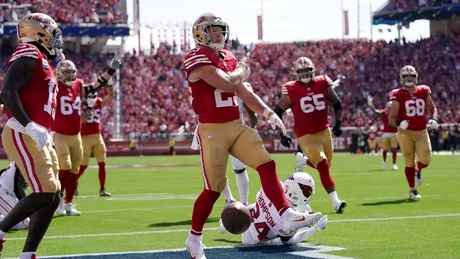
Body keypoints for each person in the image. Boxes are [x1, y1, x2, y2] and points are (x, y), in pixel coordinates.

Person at [183, 13, 320, 259]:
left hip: (236, 125)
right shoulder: (196, 57)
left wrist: (268, 113)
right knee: (213, 189)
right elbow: (227, 83)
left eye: (220, 30)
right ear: (200, 33)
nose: (219, 35)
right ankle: (194, 239)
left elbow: (243, 92)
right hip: (212, 130)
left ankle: (285, 213)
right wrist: (243, 70)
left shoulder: (228, 57)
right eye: (213, 30)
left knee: (266, 163)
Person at [0, 13, 64, 258]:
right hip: (23, 130)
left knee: (53, 195)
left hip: (38, 133)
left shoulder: (42, 60)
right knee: (46, 190)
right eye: (53, 33)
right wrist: (29, 124)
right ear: (40, 32)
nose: (56, 39)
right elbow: (8, 90)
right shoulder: (29, 53)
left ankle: (28, 254)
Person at [275, 57, 346, 213]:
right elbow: (278, 111)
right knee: (323, 165)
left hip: (324, 131)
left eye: (307, 70)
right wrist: (282, 133)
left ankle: (303, 160)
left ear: (313, 70)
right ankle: (335, 201)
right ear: (296, 73)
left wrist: (338, 123)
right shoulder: (291, 89)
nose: (305, 74)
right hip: (306, 135)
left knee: (326, 166)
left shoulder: (322, 83)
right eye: (301, 71)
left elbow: (337, 103)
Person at [52, 56, 121, 216]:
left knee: (75, 169)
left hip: (76, 135)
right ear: (59, 74)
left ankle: (68, 203)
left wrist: (111, 70)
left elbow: (95, 86)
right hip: (60, 134)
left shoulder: (78, 85)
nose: (70, 76)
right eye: (66, 72)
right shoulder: (54, 86)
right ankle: (58, 201)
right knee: (66, 166)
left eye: (71, 72)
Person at [219, 172, 327, 245]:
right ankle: (224, 225)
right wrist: (314, 229)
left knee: (251, 210)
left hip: (247, 217)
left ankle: (223, 225)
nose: (307, 195)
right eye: (306, 192)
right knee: (297, 229)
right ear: (297, 192)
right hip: (255, 242)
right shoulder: (286, 217)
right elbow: (290, 242)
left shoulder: (274, 187)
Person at [388, 65, 438, 200]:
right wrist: (399, 123)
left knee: (426, 159)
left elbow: (432, 108)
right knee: (409, 161)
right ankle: (412, 190)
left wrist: (434, 119)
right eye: (406, 76)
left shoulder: (423, 91)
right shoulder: (397, 94)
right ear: (401, 78)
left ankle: (418, 169)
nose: (409, 79)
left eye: (411, 76)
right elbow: (391, 118)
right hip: (406, 133)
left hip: (421, 131)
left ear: (416, 77)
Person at [221, 82, 257, 206]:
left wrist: (254, 131)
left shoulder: (242, 86)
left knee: (239, 169)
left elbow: (252, 112)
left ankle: (242, 202)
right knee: (218, 171)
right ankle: (230, 199)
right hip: (220, 132)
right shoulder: (210, 83)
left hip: (231, 132)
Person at [77, 84, 116, 197]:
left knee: (102, 163)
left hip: (98, 137)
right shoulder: (80, 104)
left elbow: (109, 98)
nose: (92, 96)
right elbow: (83, 121)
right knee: (83, 165)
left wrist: (110, 87)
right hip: (85, 138)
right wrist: (88, 107)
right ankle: (74, 182)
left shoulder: (98, 102)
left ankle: (102, 188)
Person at [367, 96, 399, 170]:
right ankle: (384, 161)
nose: (389, 108)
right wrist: (370, 104)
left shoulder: (396, 113)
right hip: (386, 133)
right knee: (385, 149)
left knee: (394, 149)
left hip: (394, 133)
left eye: (390, 106)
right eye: (388, 106)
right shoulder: (384, 113)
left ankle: (394, 164)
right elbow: (375, 111)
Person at [0, 162, 29, 230]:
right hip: (3, 192)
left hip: (8, 193)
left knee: (24, 220)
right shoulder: (22, 167)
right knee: (23, 223)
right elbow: (18, 190)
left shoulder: (19, 163)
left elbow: (3, 172)